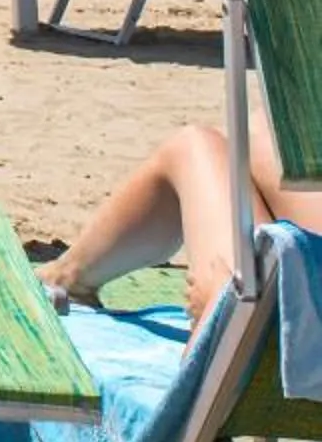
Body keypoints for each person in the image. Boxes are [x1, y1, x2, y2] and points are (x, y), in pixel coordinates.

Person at [40, 121, 322, 318]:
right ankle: (70, 276)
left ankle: (69, 277)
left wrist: (215, 299)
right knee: (264, 134)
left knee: (193, 145)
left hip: (283, 344)